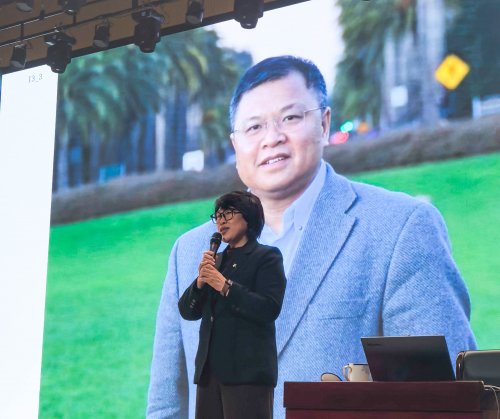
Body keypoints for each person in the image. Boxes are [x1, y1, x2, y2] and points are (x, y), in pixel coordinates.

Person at [147, 56, 477, 419]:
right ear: (236, 144)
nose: (272, 138)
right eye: (254, 127)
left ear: (323, 123)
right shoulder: (189, 252)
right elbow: (167, 405)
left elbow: (442, 403)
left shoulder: (400, 228)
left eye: (290, 118)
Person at [177, 191, 286, 419]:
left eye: (228, 213)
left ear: (248, 216)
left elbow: (269, 308)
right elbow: (188, 311)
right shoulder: (216, 261)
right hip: (209, 373)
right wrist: (200, 283)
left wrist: (225, 286)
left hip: (247, 374)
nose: (221, 220)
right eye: (217, 215)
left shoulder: (267, 257)